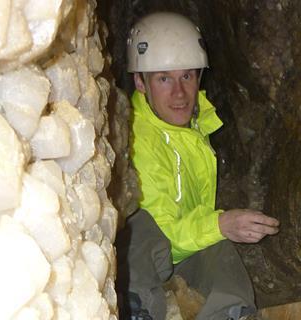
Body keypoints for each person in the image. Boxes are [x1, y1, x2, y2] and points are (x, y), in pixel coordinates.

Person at [116, 12, 280, 320]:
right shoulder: (138, 138)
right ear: (140, 82)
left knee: (220, 248)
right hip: (150, 256)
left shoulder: (197, 122)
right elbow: (164, 234)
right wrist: (221, 224)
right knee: (139, 227)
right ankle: (139, 310)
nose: (179, 93)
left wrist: (219, 228)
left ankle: (230, 314)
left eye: (187, 76)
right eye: (164, 78)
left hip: (182, 250)